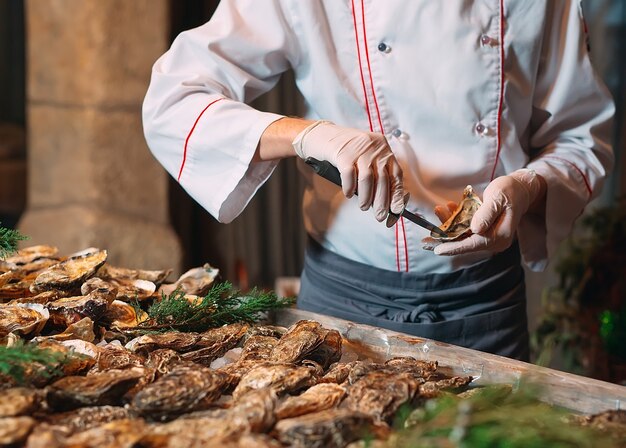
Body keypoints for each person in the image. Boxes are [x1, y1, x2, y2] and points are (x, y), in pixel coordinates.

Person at [142, 1, 614, 361]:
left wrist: (530, 187)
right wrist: (308, 135)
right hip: (342, 297)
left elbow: (581, 136)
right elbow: (174, 100)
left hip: (485, 303)